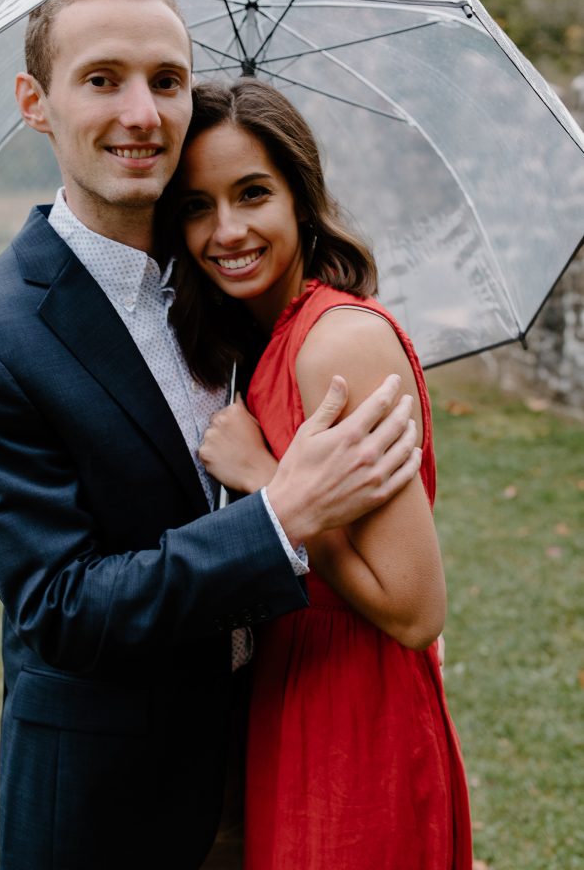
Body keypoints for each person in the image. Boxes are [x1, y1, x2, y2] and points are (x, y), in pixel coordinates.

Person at [0, 0, 423, 870]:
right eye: (102, 79)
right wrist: (279, 518)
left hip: (274, 752)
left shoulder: (228, 292)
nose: (141, 112)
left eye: (166, 79)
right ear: (36, 102)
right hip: (114, 807)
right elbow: (60, 607)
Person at [160, 77, 474, 869]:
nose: (225, 230)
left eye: (252, 193)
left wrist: (271, 486)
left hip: (356, 711)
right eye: (197, 205)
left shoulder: (336, 343)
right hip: (287, 690)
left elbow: (414, 610)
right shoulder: (265, 342)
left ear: (301, 198)